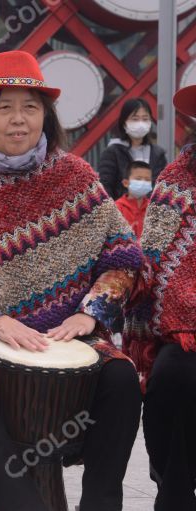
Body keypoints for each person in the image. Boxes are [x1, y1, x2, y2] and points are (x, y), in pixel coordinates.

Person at [0, 50, 143, 511]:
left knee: (121, 379)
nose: (19, 120)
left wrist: (90, 311)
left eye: (30, 107)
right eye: (5, 107)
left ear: (46, 114)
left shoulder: (75, 175)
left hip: (65, 332)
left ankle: (100, 503)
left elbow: (123, 255)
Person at [124, 84, 196, 510]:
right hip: (184, 328)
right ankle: (174, 494)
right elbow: (153, 260)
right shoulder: (175, 183)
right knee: (173, 378)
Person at [98, 97, 167, 200]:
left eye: (145, 119)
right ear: (124, 122)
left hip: (152, 212)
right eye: (135, 119)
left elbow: (163, 187)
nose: (140, 123)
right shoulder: (113, 152)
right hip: (120, 211)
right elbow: (105, 188)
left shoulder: (158, 154)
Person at [115, 160, 152, 239]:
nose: (143, 182)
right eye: (138, 179)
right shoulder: (117, 208)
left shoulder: (153, 208)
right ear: (126, 183)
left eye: (147, 179)